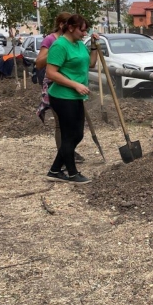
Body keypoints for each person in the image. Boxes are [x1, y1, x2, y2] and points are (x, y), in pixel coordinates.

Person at [45, 14, 99, 183]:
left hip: (76, 96)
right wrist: (75, 84)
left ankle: (54, 170)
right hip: (62, 96)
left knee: (78, 135)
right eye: (82, 30)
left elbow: (90, 64)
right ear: (70, 28)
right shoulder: (60, 46)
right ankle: (72, 173)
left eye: (86, 31)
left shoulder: (79, 44)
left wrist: (94, 47)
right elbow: (51, 73)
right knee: (70, 135)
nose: (84, 34)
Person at [34, 12, 85, 164]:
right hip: (55, 84)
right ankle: (63, 155)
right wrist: (57, 49)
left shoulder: (74, 41)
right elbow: (39, 63)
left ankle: (67, 152)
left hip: (73, 86)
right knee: (61, 123)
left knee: (75, 128)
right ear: (64, 25)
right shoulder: (52, 40)